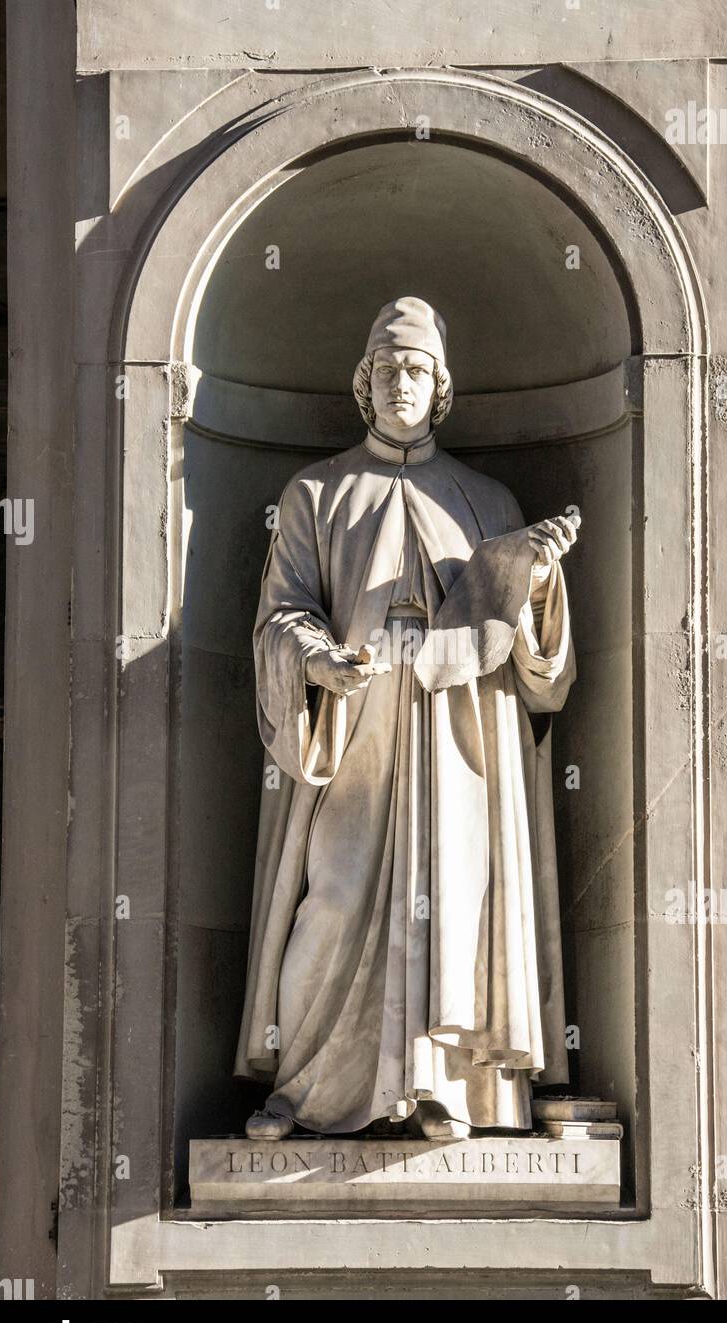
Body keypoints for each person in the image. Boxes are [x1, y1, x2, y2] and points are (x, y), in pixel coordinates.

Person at [235, 297, 579, 1140]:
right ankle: (307, 1087)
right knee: (336, 899)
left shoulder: (488, 498)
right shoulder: (317, 491)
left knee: (456, 903)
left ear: (441, 385)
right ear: (364, 385)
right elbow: (281, 612)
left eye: (416, 369)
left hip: (459, 738)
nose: (400, 383)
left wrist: (536, 584)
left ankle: (445, 1088)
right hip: (358, 729)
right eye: (385, 369)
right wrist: (318, 660)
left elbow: (538, 669)